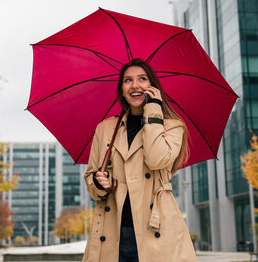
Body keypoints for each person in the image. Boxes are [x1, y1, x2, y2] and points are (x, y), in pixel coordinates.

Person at [83, 58, 197, 262]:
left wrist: (153, 111)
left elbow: (156, 160)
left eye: (142, 79)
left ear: (153, 86)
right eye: (128, 80)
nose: (135, 85)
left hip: (156, 231)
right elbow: (91, 180)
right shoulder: (105, 128)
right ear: (122, 89)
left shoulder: (172, 126)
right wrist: (101, 182)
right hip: (112, 232)